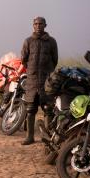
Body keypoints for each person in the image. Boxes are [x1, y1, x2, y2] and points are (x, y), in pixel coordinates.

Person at [20, 16, 58, 145]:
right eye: (36, 24)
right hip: (32, 80)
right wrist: (32, 71)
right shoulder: (28, 41)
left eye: (41, 24)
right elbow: (24, 60)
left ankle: (48, 138)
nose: (38, 26)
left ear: (45, 25)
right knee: (30, 109)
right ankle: (29, 137)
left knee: (48, 109)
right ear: (33, 25)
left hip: (46, 81)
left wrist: (47, 72)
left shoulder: (52, 42)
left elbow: (55, 60)